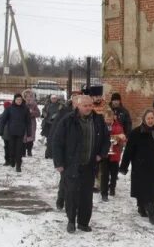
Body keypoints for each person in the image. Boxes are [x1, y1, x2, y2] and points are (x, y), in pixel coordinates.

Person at [52, 95, 110, 233]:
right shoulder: (68, 120)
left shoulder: (98, 120)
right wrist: (59, 162)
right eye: (85, 105)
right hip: (71, 164)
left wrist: (100, 155)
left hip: (89, 164)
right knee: (71, 194)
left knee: (86, 195)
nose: (89, 108)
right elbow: (57, 142)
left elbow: (106, 140)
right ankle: (71, 220)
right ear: (77, 106)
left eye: (90, 105)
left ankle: (83, 222)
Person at [119, 109, 154, 225]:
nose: (150, 120)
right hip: (141, 167)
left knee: (150, 190)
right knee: (147, 191)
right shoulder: (136, 133)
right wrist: (123, 167)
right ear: (144, 119)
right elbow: (128, 151)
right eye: (148, 118)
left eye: (152, 118)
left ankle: (141, 207)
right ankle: (152, 215)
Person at [51, 92, 81, 210]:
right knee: (65, 179)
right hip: (66, 153)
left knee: (76, 182)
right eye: (75, 99)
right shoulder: (65, 112)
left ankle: (73, 203)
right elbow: (56, 132)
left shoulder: (86, 115)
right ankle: (61, 198)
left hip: (79, 153)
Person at [0, 93, 31, 172]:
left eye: (20, 100)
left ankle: (18, 165)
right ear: (14, 100)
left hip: (21, 132)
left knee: (19, 149)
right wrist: (1, 130)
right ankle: (12, 160)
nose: (19, 101)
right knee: (11, 148)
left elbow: (28, 121)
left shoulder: (25, 109)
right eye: (17, 100)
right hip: (11, 132)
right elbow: (3, 120)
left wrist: (29, 131)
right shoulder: (9, 108)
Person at [100, 109, 126, 201]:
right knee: (104, 174)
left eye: (110, 119)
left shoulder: (118, 126)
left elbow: (123, 138)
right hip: (104, 154)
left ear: (113, 118)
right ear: (104, 118)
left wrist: (120, 139)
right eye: (107, 119)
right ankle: (104, 193)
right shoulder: (101, 126)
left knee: (114, 174)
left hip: (115, 154)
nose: (108, 121)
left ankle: (112, 188)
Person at [22, 89, 40, 157]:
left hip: (31, 123)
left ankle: (29, 151)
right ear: (24, 97)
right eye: (27, 96)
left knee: (30, 137)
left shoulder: (34, 104)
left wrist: (32, 112)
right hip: (23, 123)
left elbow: (38, 113)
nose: (28, 98)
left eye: (30, 96)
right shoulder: (22, 104)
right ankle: (23, 151)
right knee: (23, 138)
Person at [0, 100, 12, 166]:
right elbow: (0, 125)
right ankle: (8, 160)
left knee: (8, 147)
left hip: (9, 134)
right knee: (8, 147)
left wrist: (0, 132)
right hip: (7, 134)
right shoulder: (2, 116)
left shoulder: (2, 115)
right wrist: (0, 132)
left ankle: (9, 160)